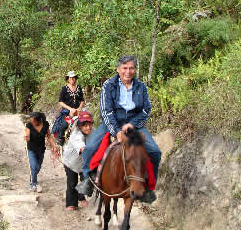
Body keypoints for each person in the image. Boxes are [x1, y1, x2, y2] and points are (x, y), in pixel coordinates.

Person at [76, 55, 161, 199]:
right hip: (113, 121)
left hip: (134, 124)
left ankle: (147, 187)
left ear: (135, 69)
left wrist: (132, 125)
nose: (128, 71)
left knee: (155, 152)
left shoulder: (141, 87)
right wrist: (116, 131)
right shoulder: (109, 85)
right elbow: (106, 111)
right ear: (118, 69)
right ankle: (87, 181)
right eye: (125, 68)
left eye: (131, 68)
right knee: (89, 149)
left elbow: (147, 110)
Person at [62, 111, 95, 211]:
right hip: (71, 163)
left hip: (84, 163)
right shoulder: (76, 134)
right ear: (80, 126)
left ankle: (81, 197)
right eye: (85, 125)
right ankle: (71, 204)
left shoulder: (93, 130)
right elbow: (82, 148)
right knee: (72, 183)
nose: (88, 127)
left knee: (85, 180)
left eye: (90, 124)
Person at [24, 112, 56, 192]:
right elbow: (27, 135)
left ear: (38, 121)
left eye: (33, 121)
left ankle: (33, 177)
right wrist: (27, 137)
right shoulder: (29, 125)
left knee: (37, 167)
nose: (32, 123)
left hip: (41, 149)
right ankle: (33, 184)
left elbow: (49, 136)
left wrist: (54, 146)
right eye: (31, 121)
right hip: (31, 149)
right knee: (33, 166)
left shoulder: (45, 125)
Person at [51, 71, 85, 146]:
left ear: (76, 78)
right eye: (70, 77)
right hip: (67, 111)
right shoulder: (64, 89)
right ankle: (60, 139)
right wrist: (70, 109)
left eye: (74, 77)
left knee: (88, 120)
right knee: (64, 124)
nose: (72, 79)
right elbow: (60, 102)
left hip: (78, 110)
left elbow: (82, 100)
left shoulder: (79, 88)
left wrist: (79, 108)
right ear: (68, 79)